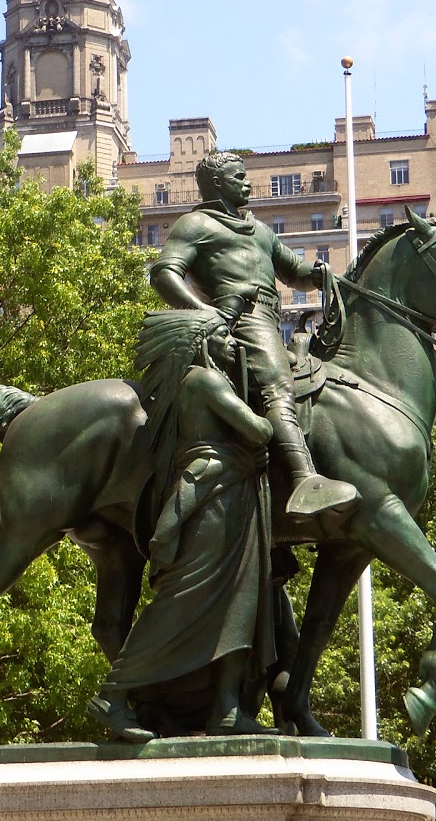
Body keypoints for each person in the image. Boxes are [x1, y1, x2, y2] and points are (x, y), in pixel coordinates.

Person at [89, 313, 277, 741]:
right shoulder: (203, 382)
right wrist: (265, 412)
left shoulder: (202, 383)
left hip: (235, 494)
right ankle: (112, 694)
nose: (234, 344)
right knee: (184, 597)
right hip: (212, 495)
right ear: (202, 344)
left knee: (242, 600)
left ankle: (228, 709)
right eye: (224, 337)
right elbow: (259, 430)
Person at [150, 150, 357, 524]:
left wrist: (320, 273)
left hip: (272, 318)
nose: (247, 182)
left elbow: (292, 270)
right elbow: (165, 274)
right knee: (277, 385)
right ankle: (303, 479)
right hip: (240, 317)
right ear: (216, 184)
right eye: (238, 177)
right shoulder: (195, 224)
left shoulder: (260, 230)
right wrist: (205, 312)